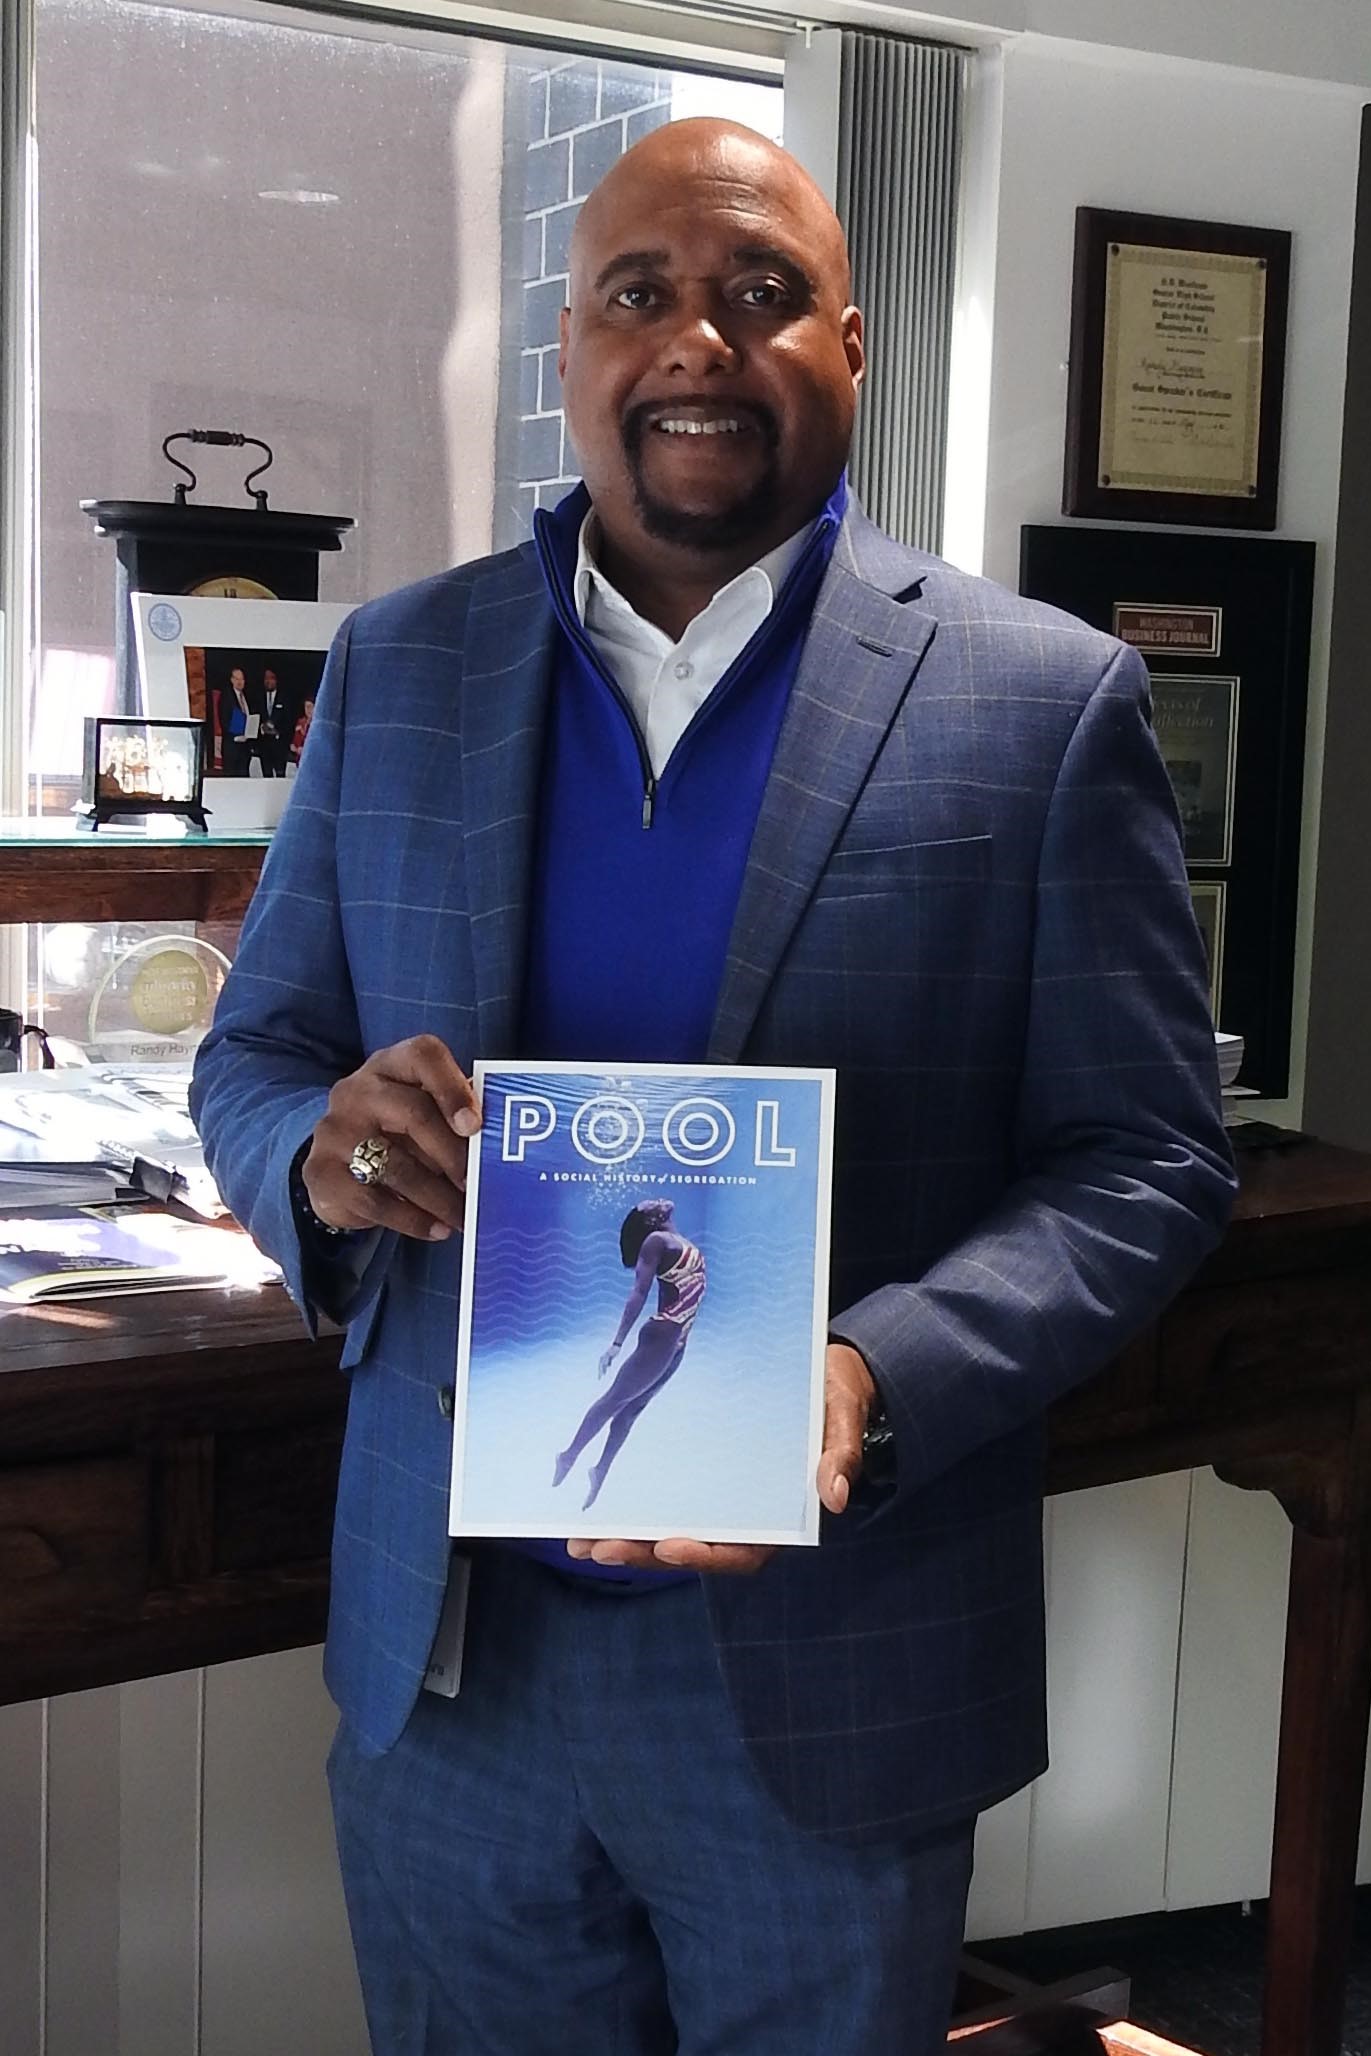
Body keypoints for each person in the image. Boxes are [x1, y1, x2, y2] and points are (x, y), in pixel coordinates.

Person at [191, 118, 1235, 2056]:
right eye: (640, 294)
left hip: (824, 1665)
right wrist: (318, 1157)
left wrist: (870, 1373)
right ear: (569, 347)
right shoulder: (399, 666)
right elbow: (252, 1052)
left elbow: (1146, 1155)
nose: (697, 341)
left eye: (761, 297)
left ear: (848, 344)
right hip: (451, 1655)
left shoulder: (1037, 701)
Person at [552, 1196, 706, 1511]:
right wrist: (617, 1343)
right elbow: (639, 1292)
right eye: (646, 1205)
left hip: (678, 1340)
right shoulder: (656, 1240)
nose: (655, 1200)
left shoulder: (676, 1241)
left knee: (631, 1409)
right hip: (664, 1334)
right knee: (614, 1401)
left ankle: (601, 1469)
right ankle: (569, 1455)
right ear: (649, 1219)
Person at [218, 664, 260, 777]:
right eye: (237, 679)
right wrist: (234, 734)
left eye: (242, 679)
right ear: (232, 680)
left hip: (245, 747)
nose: (240, 682)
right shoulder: (226, 696)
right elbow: (224, 719)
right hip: (232, 746)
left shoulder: (246, 696)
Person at [255, 665, 294, 777]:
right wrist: (262, 727)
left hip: (280, 745)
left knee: (280, 775)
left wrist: (278, 731)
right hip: (264, 745)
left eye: (271, 678)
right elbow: (255, 716)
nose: (268, 681)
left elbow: (289, 720)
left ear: (276, 680)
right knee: (266, 775)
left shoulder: (285, 697)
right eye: (266, 678)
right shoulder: (258, 697)